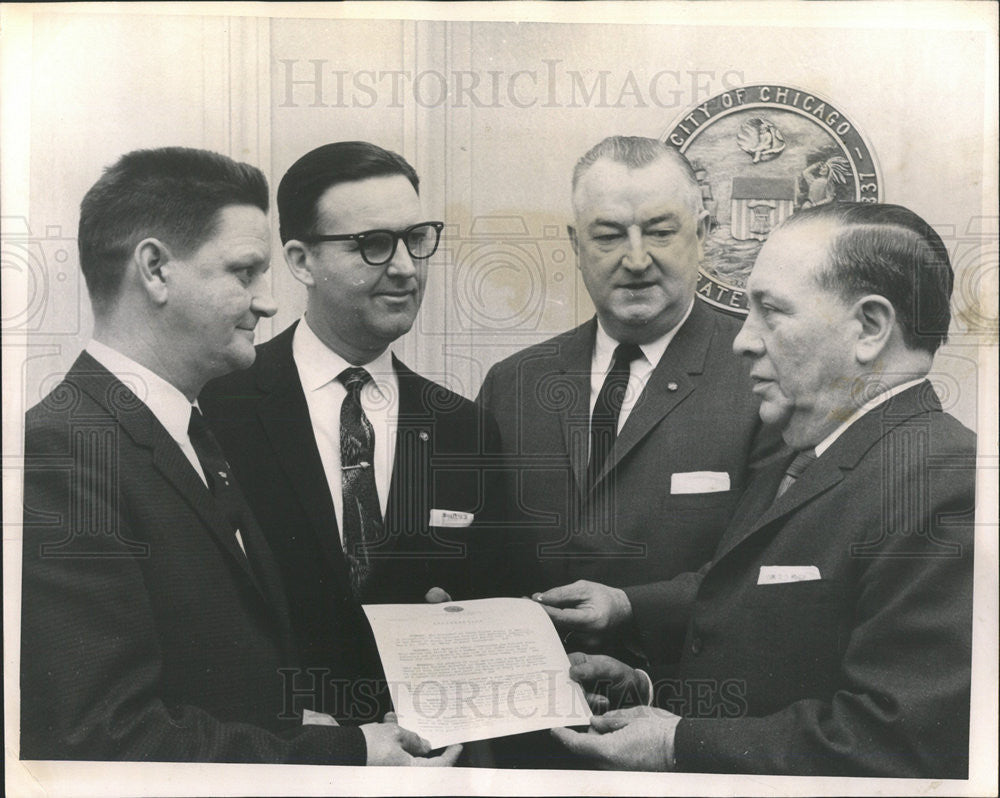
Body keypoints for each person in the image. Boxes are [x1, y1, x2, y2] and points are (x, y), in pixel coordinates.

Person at [21, 147, 459, 766]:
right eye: (244, 272)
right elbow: (99, 738)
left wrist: (298, 720)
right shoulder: (61, 455)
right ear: (154, 270)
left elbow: (213, 680)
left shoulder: (187, 434)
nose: (267, 301)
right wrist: (349, 750)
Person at [542, 202, 975, 778]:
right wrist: (644, 692)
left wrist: (677, 742)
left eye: (770, 312)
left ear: (870, 328)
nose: (743, 341)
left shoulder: (950, 482)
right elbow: (765, 642)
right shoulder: (803, 459)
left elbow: (898, 740)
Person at [200, 141, 502, 723]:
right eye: (373, 244)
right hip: (274, 760)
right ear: (300, 261)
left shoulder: (465, 427)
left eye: (416, 239)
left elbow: (495, 603)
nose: (406, 268)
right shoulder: (215, 407)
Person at [477, 135, 777, 608]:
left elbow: (767, 568)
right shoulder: (513, 383)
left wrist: (632, 610)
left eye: (660, 232)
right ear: (576, 245)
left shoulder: (762, 376)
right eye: (609, 236)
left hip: (686, 681)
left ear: (702, 234)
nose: (636, 260)